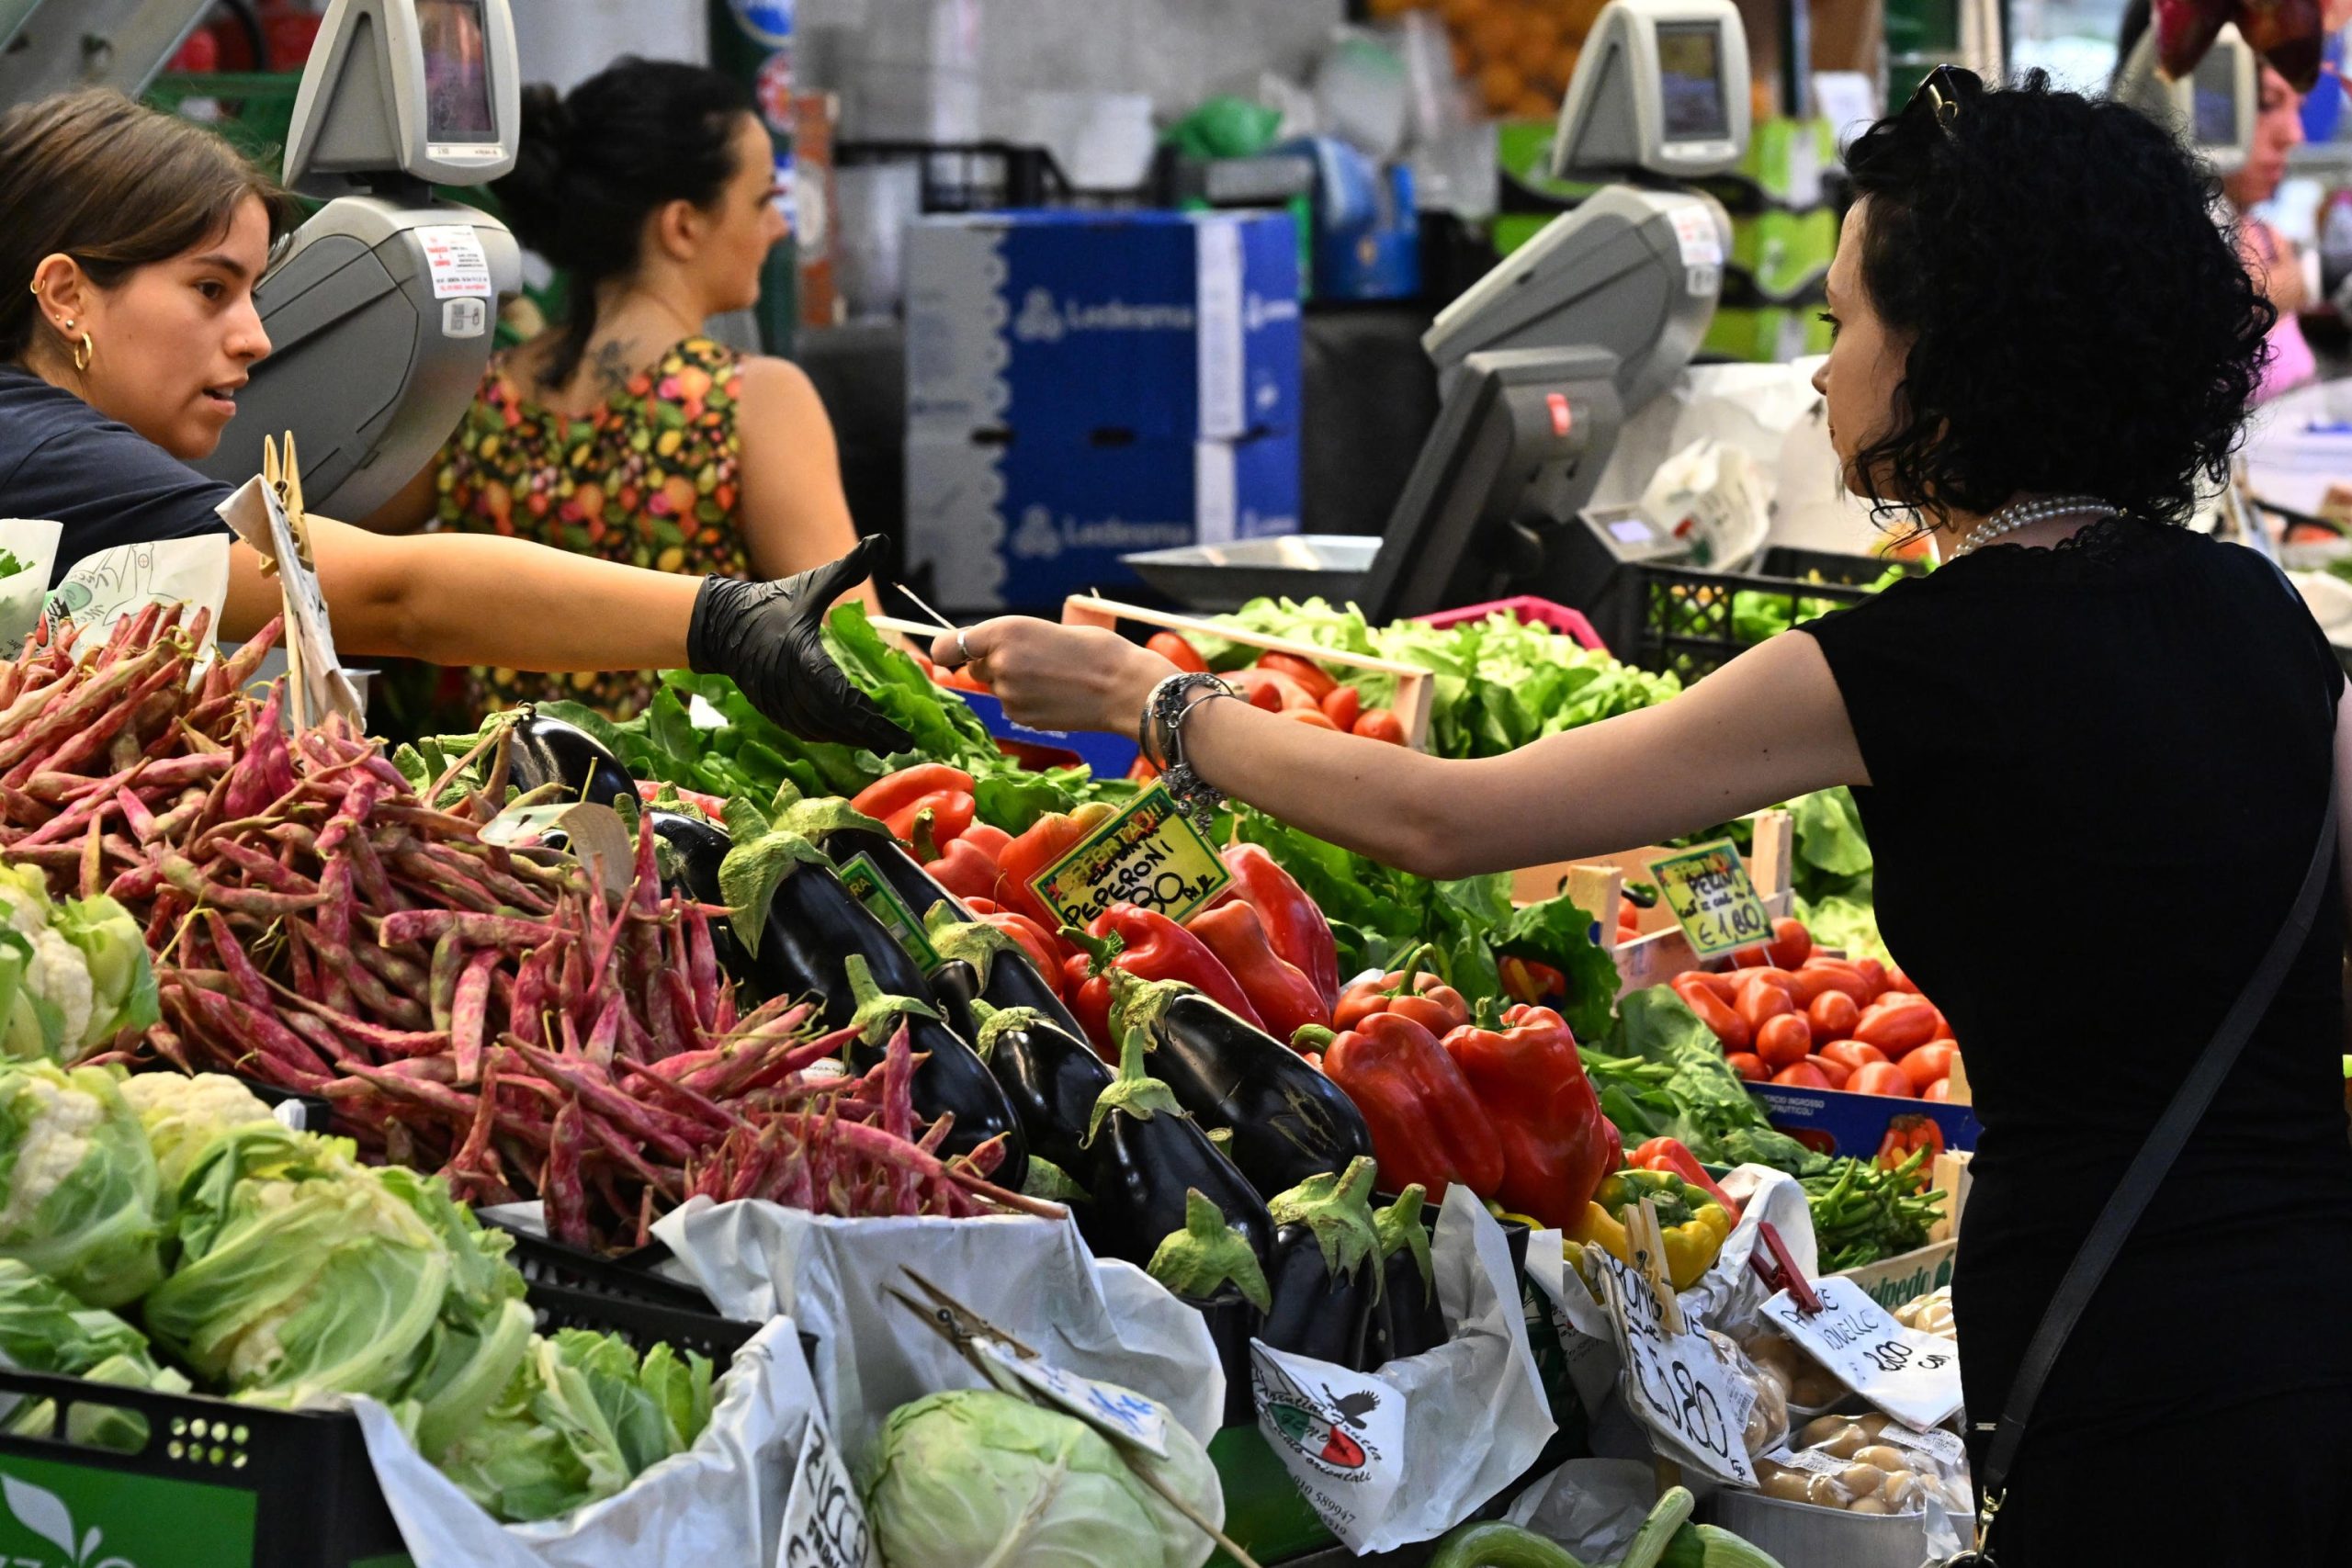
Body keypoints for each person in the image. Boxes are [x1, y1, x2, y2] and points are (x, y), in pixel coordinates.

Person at [941, 73, 2352, 1562]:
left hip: (2116, 1349)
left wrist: (1152, 698)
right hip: (2316, 1312)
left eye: (1842, 321)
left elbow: (1443, 818)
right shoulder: (2265, 611)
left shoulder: (1908, 663)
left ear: (1952, 352)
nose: (1819, 374)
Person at [0, 88, 907, 757]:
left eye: (254, 292)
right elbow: (396, 594)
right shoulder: (50, 454)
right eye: (210, 289)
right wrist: (723, 621)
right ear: (66, 295)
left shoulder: (46, 450)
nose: (256, 338)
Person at [363, 57, 872, 720]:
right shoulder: (754, 399)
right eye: (761, 202)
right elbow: (855, 650)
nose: (778, 227)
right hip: (687, 783)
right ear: (683, 225)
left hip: (505, 776)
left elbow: (327, 552)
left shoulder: (477, 397)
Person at [2118, 0, 2314, 400]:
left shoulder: (2266, 239)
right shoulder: (2138, 249)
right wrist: (2300, 282)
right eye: (2267, 102)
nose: (2295, 135)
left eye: (2298, 108)